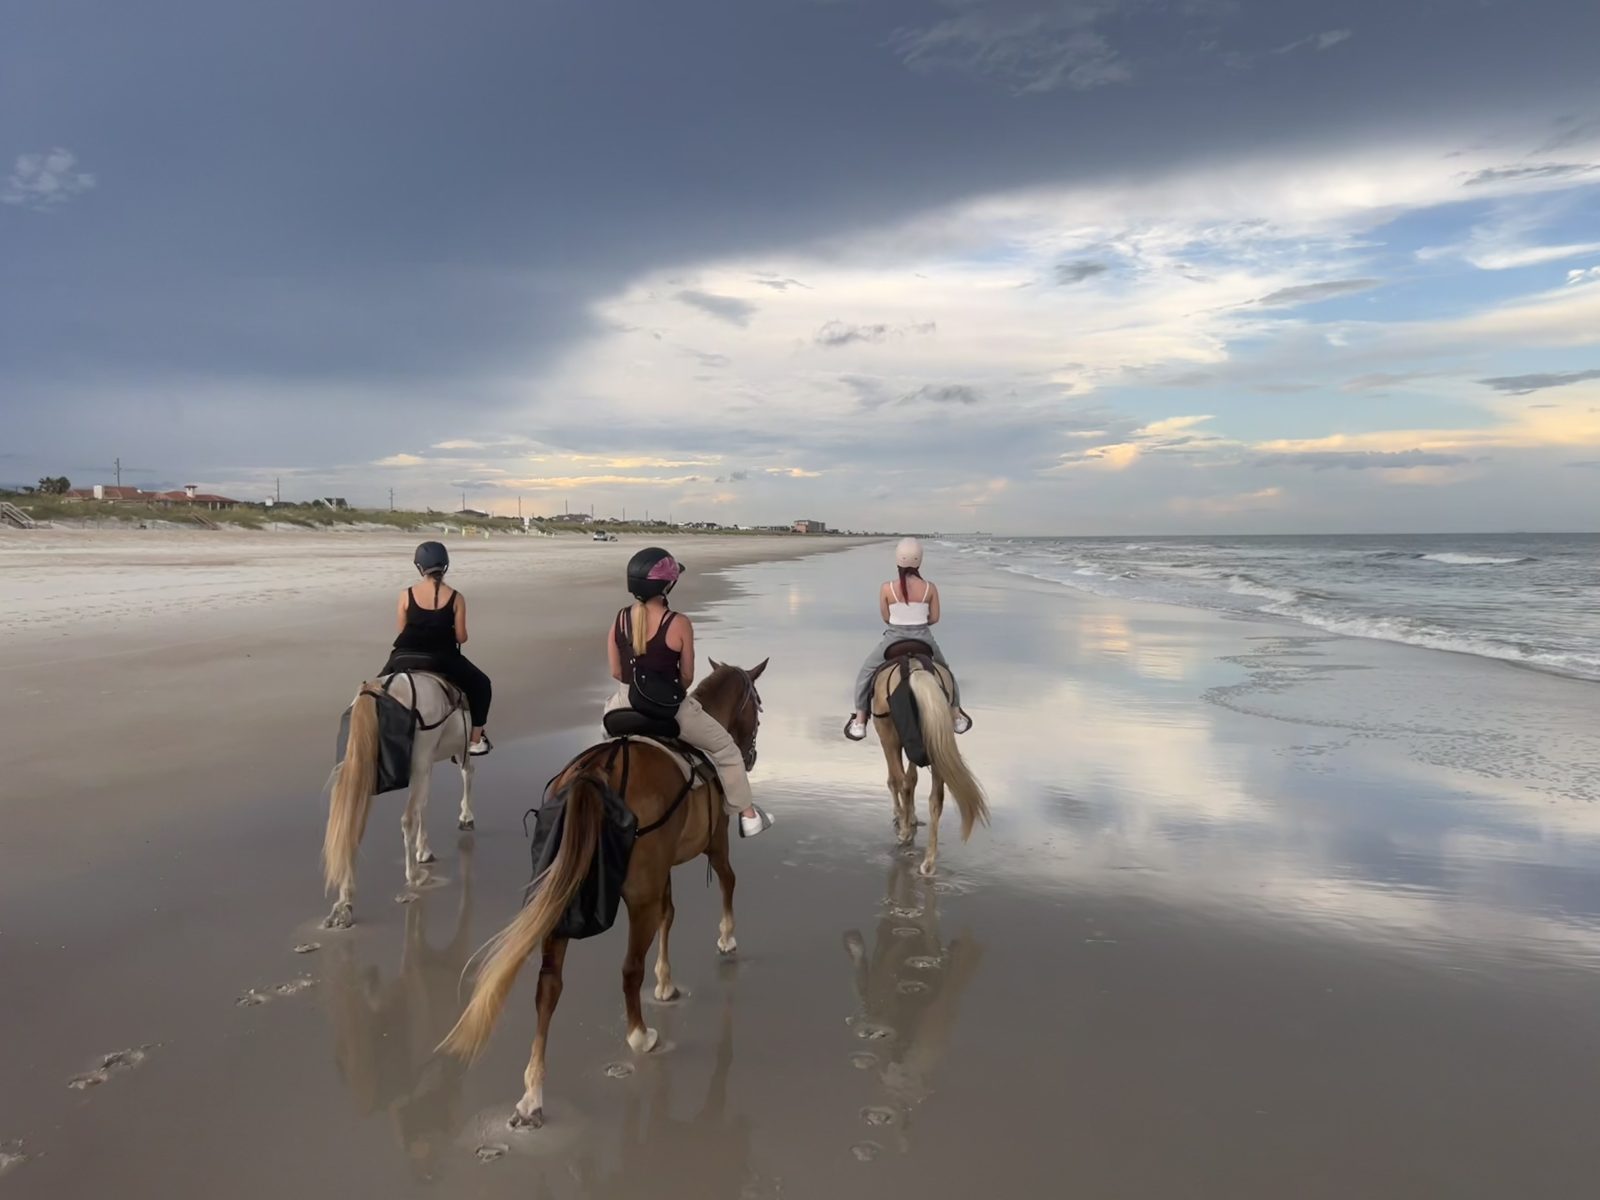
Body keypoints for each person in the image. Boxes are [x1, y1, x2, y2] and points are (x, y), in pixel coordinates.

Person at [605, 547, 773, 839]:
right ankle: (748, 816)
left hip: (623, 701)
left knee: (607, 749)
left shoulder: (619, 619)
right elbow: (686, 677)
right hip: (667, 708)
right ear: (667, 585)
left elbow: (617, 672)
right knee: (727, 751)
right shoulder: (678, 623)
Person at [844, 537, 971, 742]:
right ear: (919, 561)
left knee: (866, 672)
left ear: (897, 561)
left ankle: (859, 720)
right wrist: (919, 623)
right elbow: (935, 618)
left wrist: (900, 623)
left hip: (894, 638)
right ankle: (956, 715)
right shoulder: (930, 588)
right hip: (924, 638)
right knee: (946, 670)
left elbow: (886, 618)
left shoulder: (887, 588)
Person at [380, 541, 493, 756]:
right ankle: (475, 740)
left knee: (376, 689)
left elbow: (401, 629)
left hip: (404, 656)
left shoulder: (406, 595)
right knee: (482, 685)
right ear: (445, 566)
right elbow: (461, 637)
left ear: (419, 567)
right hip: (441, 658)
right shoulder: (456, 597)